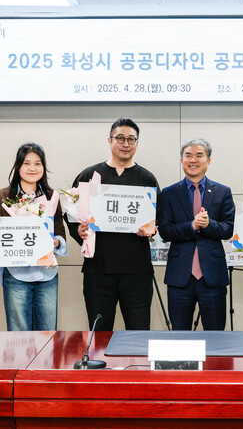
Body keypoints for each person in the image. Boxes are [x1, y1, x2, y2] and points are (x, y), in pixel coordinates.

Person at [66, 118, 159, 331]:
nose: (126, 144)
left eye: (131, 139)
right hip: (98, 271)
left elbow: (159, 218)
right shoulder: (89, 175)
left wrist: (152, 229)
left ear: (137, 143)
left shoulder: (147, 179)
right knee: (99, 335)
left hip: (137, 272)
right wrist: (78, 231)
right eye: (120, 138)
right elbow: (71, 216)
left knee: (138, 334)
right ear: (109, 141)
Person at [158, 138, 235, 330]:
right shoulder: (168, 193)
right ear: (181, 160)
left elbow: (228, 229)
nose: (193, 160)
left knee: (216, 333)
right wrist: (192, 226)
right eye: (188, 155)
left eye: (199, 155)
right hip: (180, 277)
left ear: (208, 160)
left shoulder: (223, 192)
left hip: (213, 277)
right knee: (179, 334)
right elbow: (165, 231)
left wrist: (208, 225)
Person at [0, 143, 67, 331]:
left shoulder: (51, 196)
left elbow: (59, 231)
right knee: (19, 334)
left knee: (47, 332)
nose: (32, 168)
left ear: (44, 167)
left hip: (47, 274)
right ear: (17, 166)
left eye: (38, 164)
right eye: (27, 163)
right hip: (16, 274)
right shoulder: (3, 196)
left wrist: (56, 242)